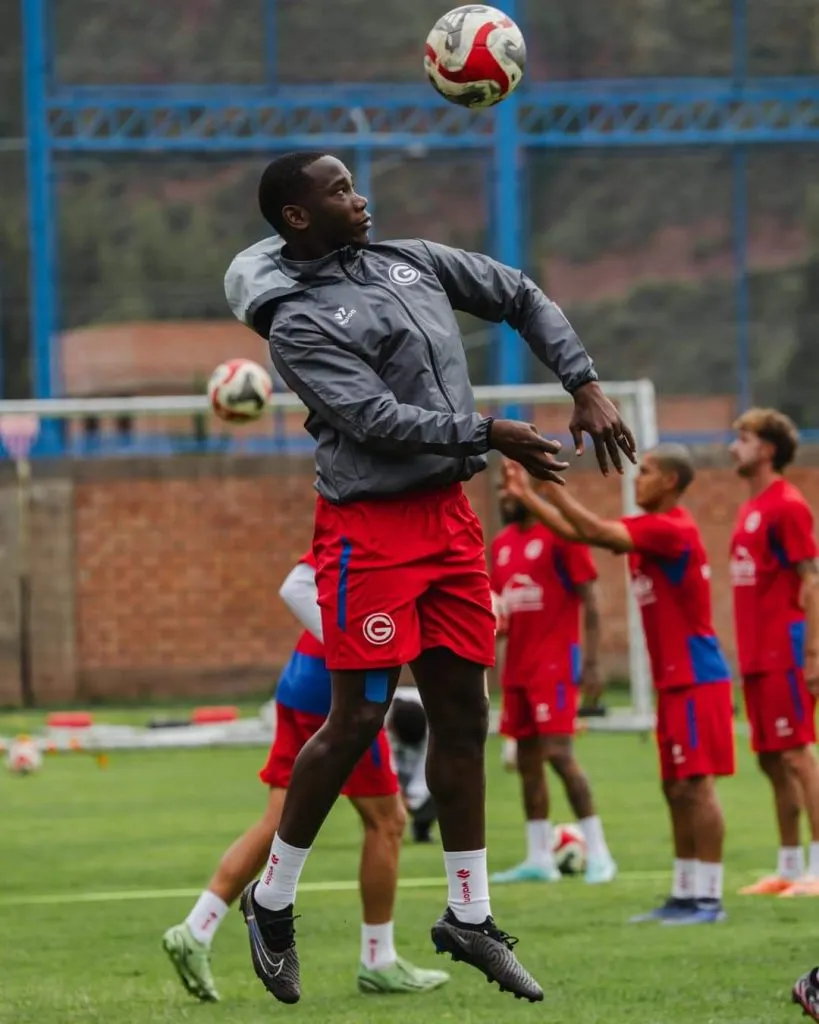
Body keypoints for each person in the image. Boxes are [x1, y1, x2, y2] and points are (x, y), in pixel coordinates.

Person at [223, 150, 636, 1005]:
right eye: (337, 189)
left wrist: (583, 381)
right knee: (359, 717)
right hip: (368, 531)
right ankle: (271, 899)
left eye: (353, 181)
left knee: (462, 715)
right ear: (296, 217)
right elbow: (371, 419)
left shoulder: (410, 259)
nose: (358, 195)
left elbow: (517, 292)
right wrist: (489, 432)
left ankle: (469, 917)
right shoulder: (298, 322)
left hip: (450, 521)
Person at [162, 553, 449, 1001]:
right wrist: (353, 652)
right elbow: (296, 586)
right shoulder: (382, 519)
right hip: (339, 693)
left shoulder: (374, 513)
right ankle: (379, 960)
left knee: (280, 819)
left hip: (302, 679)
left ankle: (196, 929)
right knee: (387, 820)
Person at [501, 443, 735, 925]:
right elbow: (577, 533)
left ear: (670, 481)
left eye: (645, 471)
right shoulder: (650, 530)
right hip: (673, 681)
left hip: (697, 678)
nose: (636, 478)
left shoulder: (672, 529)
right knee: (675, 787)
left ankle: (709, 898)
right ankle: (685, 893)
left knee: (697, 785)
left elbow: (588, 528)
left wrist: (549, 489)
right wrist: (531, 494)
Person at [488, 477, 617, 885]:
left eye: (510, 489)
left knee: (559, 755)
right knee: (527, 763)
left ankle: (599, 853)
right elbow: (501, 610)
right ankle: (539, 857)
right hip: (518, 671)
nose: (503, 497)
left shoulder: (561, 536)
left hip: (556, 666)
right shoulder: (502, 544)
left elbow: (592, 604)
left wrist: (592, 664)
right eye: (500, 491)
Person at [727, 409, 819, 898]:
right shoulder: (750, 507)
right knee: (769, 759)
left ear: (766, 449)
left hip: (786, 648)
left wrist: (813, 654)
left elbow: (812, 580)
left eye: (742, 438)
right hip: (756, 653)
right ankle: (788, 866)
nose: (731, 447)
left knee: (798, 753)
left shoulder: (787, 505)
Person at [387, 687, 438, 843]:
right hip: (389, 760)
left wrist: (411, 800)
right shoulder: (377, 712)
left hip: (418, 762)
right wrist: (395, 791)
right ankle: (383, 829)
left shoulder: (435, 719)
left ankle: (422, 827)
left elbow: (425, 768)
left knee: (438, 783)